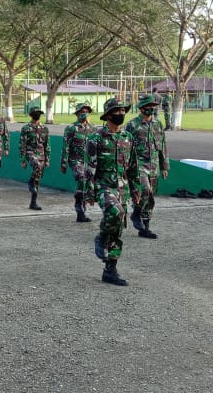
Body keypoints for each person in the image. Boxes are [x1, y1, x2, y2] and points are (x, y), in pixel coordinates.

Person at [87, 98, 138, 286]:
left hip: (122, 188)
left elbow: (133, 166)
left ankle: (110, 270)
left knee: (117, 229)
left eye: (123, 111)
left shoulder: (127, 137)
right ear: (108, 115)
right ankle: (101, 237)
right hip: (104, 186)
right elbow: (89, 168)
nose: (121, 114)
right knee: (116, 212)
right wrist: (88, 192)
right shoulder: (96, 138)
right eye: (117, 111)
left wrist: (135, 189)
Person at [125, 94, 169, 239]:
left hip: (154, 165)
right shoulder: (132, 125)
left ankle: (145, 228)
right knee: (145, 190)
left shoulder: (158, 124)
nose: (151, 109)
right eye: (148, 106)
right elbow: (125, 146)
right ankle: (136, 212)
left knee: (150, 197)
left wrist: (164, 166)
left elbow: (163, 145)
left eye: (153, 106)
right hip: (138, 165)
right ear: (142, 108)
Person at [61, 103, 96, 223]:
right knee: (82, 177)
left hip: (89, 162)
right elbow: (66, 146)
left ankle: (82, 210)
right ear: (77, 114)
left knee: (89, 182)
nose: (84, 114)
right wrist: (63, 163)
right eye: (82, 112)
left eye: (86, 112)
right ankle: (79, 207)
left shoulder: (93, 128)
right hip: (75, 160)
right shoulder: (71, 128)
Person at [19, 106, 50, 210]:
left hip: (41, 154)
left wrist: (47, 159)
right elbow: (22, 144)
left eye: (39, 113)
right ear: (31, 115)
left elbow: (47, 145)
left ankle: (33, 203)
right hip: (30, 152)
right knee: (37, 165)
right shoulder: (26, 128)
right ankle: (30, 181)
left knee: (37, 179)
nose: (37, 115)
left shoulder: (44, 128)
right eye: (35, 113)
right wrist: (23, 160)